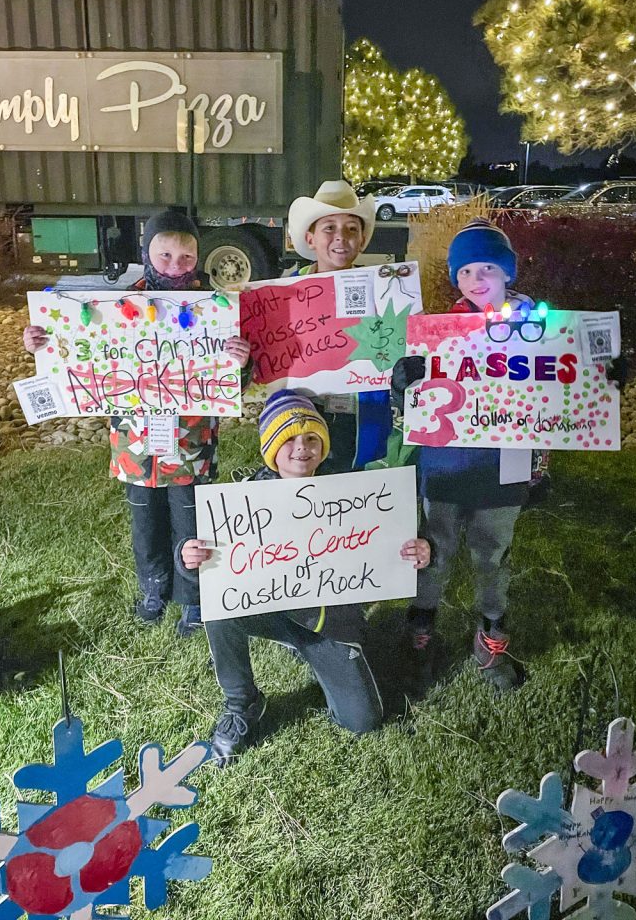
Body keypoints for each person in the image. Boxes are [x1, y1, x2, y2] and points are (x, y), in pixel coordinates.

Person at [23, 210, 251, 631]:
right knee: (144, 521)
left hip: (191, 440)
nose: (175, 267)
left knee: (191, 519)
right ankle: (153, 586)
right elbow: (76, 348)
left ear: (198, 257)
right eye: (165, 256)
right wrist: (41, 342)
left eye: (186, 258)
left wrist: (240, 361)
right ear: (147, 252)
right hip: (136, 443)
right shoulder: (117, 306)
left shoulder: (215, 308)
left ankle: (193, 596)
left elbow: (233, 382)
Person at [178, 390, 431, 765]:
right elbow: (208, 561)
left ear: (324, 445)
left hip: (330, 623)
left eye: (312, 438)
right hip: (270, 611)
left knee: (362, 722)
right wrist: (190, 557)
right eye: (288, 440)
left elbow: (389, 544)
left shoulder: (353, 495)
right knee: (219, 605)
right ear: (270, 448)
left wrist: (419, 552)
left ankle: (319, 654)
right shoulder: (244, 499)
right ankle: (242, 704)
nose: (301, 448)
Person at [392, 218, 535, 690]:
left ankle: (491, 631)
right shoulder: (438, 331)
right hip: (447, 463)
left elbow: (566, 381)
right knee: (435, 548)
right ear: (457, 278)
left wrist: (604, 363)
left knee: (493, 552)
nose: (478, 279)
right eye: (467, 271)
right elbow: (415, 396)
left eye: (488, 267)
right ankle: (421, 627)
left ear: (508, 273)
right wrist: (407, 380)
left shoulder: (537, 327)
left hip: (505, 464)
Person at [284, 180, 392, 472]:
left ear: (362, 240)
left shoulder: (382, 291)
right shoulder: (286, 292)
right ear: (310, 239)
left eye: (351, 229)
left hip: (361, 419)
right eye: (329, 227)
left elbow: (394, 350)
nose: (341, 237)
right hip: (302, 418)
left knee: (356, 502)